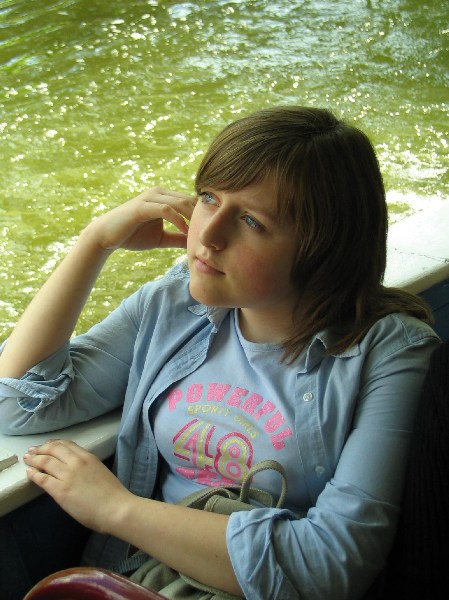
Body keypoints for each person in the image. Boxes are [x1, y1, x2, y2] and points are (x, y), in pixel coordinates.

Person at [0, 106, 441, 600]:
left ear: (322, 248)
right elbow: (18, 403)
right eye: (209, 198)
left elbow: (331, 565)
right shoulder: (175, 305)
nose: (207, 235)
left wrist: (115, 510)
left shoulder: (390, 356)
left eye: (251, 220)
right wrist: (95, 243)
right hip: (140, 580)